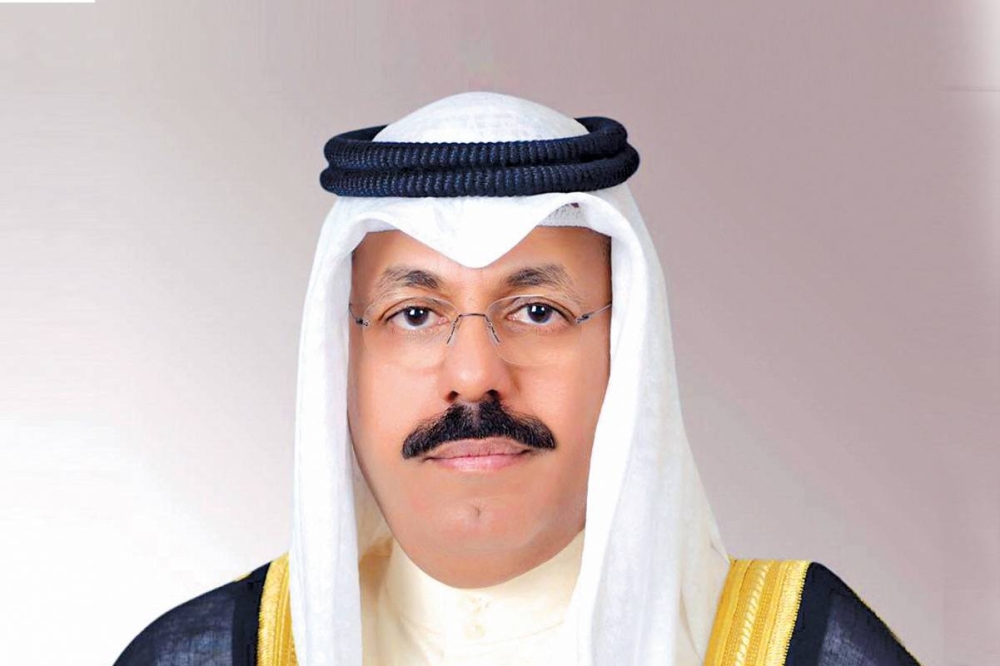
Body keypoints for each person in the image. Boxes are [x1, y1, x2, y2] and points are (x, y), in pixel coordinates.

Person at [114, 92, 921, 666]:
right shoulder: (208, 653)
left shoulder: (802, 645)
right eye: (414, 314)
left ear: (625, 354)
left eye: (539, 311)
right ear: (343, 361)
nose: (473, 376)